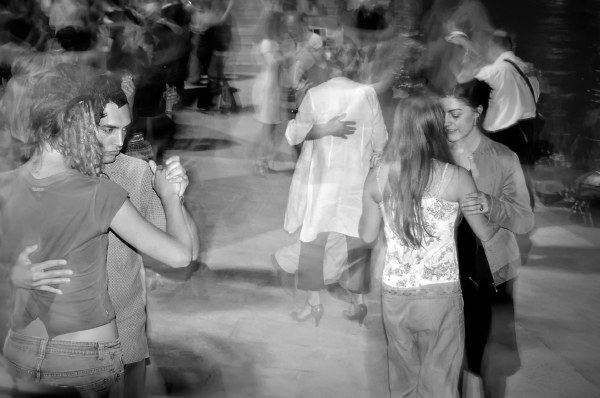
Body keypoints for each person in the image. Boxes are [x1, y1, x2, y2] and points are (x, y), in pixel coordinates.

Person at [0, 63, 198, 396]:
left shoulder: (133, 171)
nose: (119, 142)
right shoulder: (87, 189)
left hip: (121, 332)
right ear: (76, 123)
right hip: (80, 348)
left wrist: (174, 196)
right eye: (106, 129)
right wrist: (12, 272)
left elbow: (187, 249)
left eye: (125, 129)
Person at [359, 95, 498, 397]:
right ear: (437, 128)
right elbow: (486, 235)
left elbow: (367, 236)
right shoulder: (457, 178)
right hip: (441, 295)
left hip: (396, 293)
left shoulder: (378, 176)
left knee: (403, 378)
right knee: (442, 384)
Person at [273, 42, 387, 326]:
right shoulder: (367, 94)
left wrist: (324, 130)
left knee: (314, 243)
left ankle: (313, 305)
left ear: (330, 65)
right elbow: (381, 140)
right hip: (356, 181)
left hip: (321, 182)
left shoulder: (316, 94)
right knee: (358, 241)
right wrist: (372, 157)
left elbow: (293, 134)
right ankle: (359, 303)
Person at [441, 79, 534, 398]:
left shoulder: (503, 157)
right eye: (443, 115)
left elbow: (524, 219)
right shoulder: (435, 155)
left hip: (493, 272)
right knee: (451, 358)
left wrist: (490, 203)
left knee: (493, 362)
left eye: (455, 115)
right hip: (446, 272)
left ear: (478, 112)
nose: (446, 123)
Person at [448, 29, 540, 208]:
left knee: (495, 182)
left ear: (493, 47)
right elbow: (534, 98)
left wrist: (467, 48)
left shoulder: (494, 72)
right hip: (528, 133)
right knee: (522, 178)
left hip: (503, 135)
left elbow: (465, 90)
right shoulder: (528, 71)